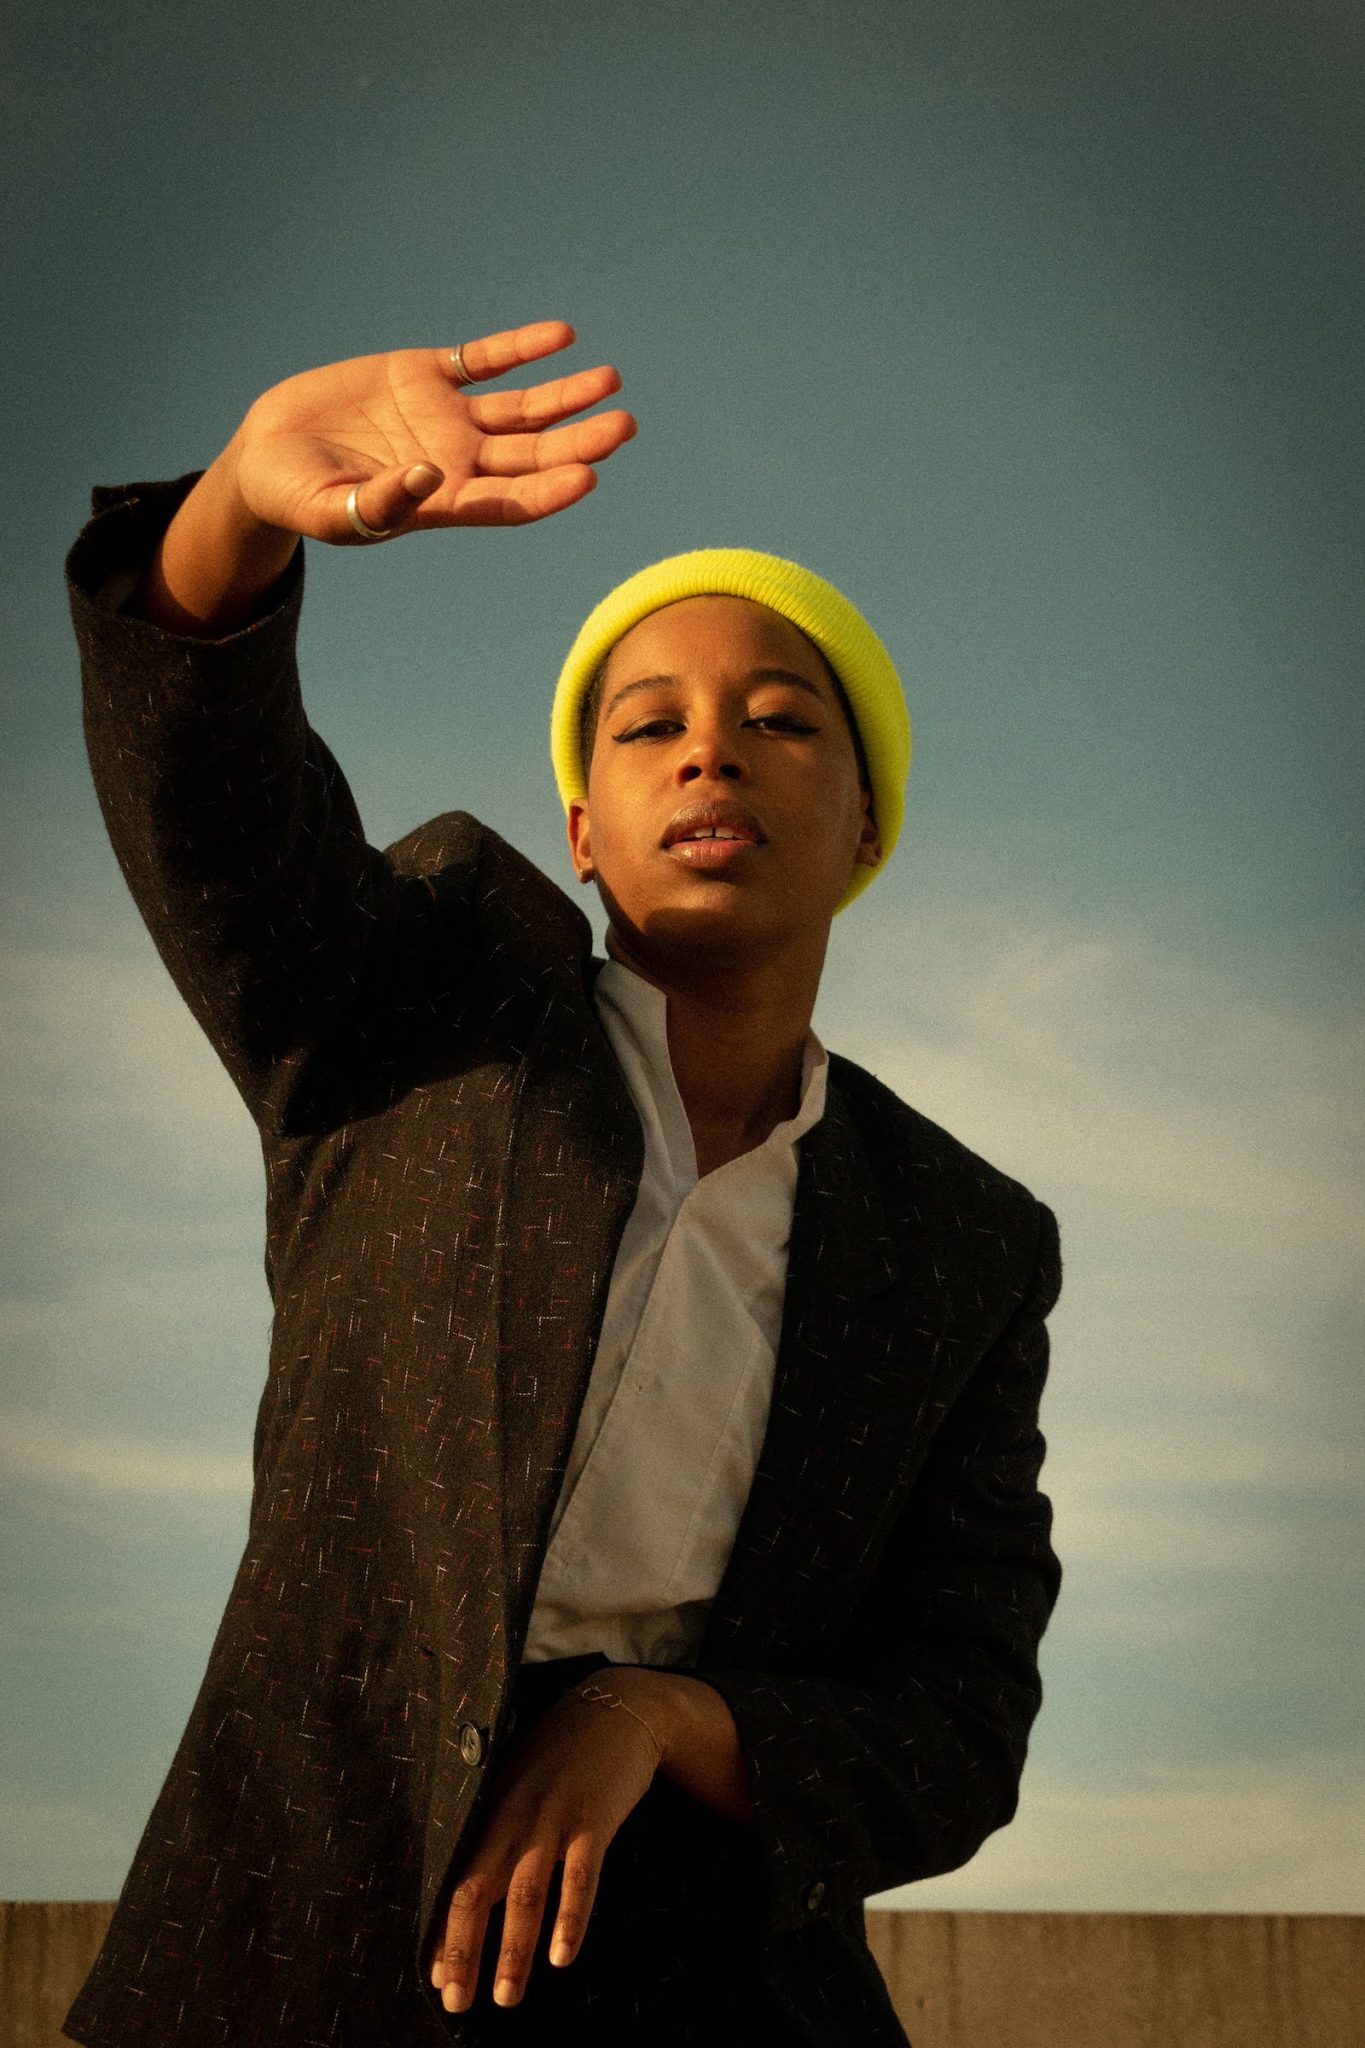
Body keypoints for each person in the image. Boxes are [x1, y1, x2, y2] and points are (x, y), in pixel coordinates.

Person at [60, 319, 1062, 2048]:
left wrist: (660, 1717)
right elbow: (217, 817)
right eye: (645, 725)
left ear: (864, 824)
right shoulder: (427, 1001)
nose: (708, 752)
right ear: (584, 830)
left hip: (714, 1965)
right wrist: (233, 515)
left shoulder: (960, 1240)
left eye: (779, 720)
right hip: (302, 1948)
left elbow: (957, 1720)